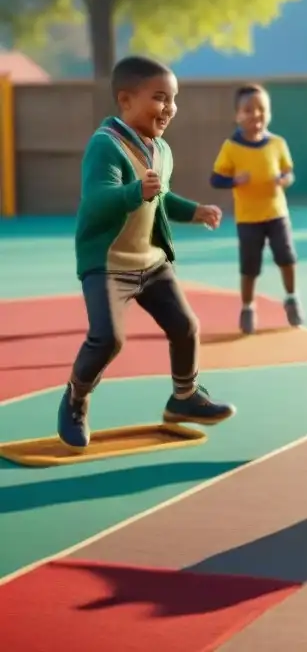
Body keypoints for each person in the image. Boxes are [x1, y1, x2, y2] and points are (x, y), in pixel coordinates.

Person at [58, 55, 236, 449]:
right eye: (159, 98)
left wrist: (195, 211)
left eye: (173, 99)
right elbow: (96, 202)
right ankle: (76, 399)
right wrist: (134, 192)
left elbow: (161, 198)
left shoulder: (161, 149)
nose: (169, 108)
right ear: (125, 101)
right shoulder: (106, 146)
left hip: (151, 262)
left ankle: (184, 397)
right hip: (108, 264)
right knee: (107, 339)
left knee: (185, 326)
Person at [210, 84, 303, 334]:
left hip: (276, 213)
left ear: (269, 113)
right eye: (248, 110)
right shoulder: (231, 147)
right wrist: (234, 180)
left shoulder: (278, 143)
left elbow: (288, 172)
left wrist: (284, 180)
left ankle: (292, 298)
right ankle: (248, 307)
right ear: (237, 115)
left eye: (261, 109)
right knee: (250, 266)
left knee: (287, 258)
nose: (256, 115)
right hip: (248, 218)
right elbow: (216, 179)